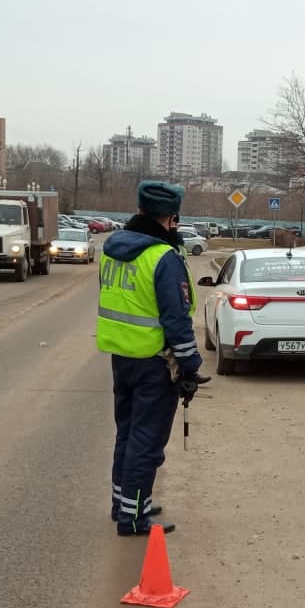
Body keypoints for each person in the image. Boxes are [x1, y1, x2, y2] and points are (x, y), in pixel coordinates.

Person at [97, 181, 205, 536]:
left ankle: (124, 503)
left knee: (127, 435)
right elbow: (176, 319)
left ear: (139, 211)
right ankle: (134, 518)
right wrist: (191, 367)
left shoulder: (113, 250)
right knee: (147, 441)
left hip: (121, 356)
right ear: (172, 217)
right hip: (155, 362)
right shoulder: (163, 258)